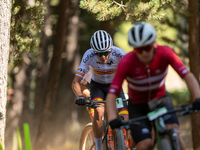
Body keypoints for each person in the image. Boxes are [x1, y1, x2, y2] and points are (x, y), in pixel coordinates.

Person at [106, 21, 200, 150]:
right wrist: (112, 119)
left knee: (173, 133)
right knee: (145, 145)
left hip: (160, 100)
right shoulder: (126, 62)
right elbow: (112, 93)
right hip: (138, 106)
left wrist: (197, 98)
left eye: (147, 48)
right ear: (134, 49)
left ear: (154, 43)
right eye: (139, 49)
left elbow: (187, 76)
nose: (144, 53)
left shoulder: (165, 53)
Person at [72, 30, 128, 150]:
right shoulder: (88, 55)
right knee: (98, 111)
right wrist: (79, 96)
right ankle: (98, 148)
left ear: (111, 49)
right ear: (93, 51)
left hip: (115, 88)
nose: (103, 56)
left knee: (125, 115)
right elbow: (76, 81)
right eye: (99, 53)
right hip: (98, 87)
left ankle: (125, 144)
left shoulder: (120, 54)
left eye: (106, 52)